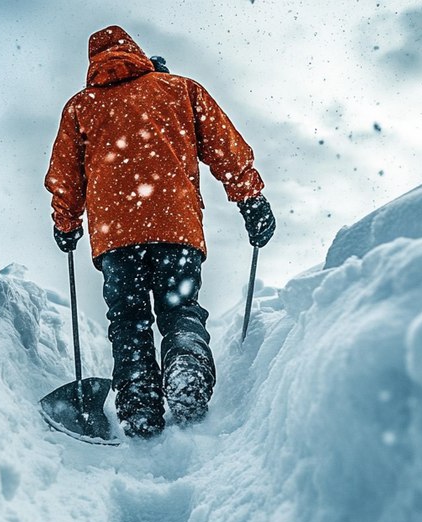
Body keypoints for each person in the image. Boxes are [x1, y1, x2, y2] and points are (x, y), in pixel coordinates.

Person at [45, 25, 276, 439]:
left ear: (93, 63)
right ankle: (186, 362)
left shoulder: (82, 107)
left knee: (129, 321)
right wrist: (251, 199)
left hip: (115, 238)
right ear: (138, 53)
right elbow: (226, 148)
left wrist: (66, 223)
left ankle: (138, 406)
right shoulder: (180, 90)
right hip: (176, 227)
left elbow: (66, 178)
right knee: (180, 309)